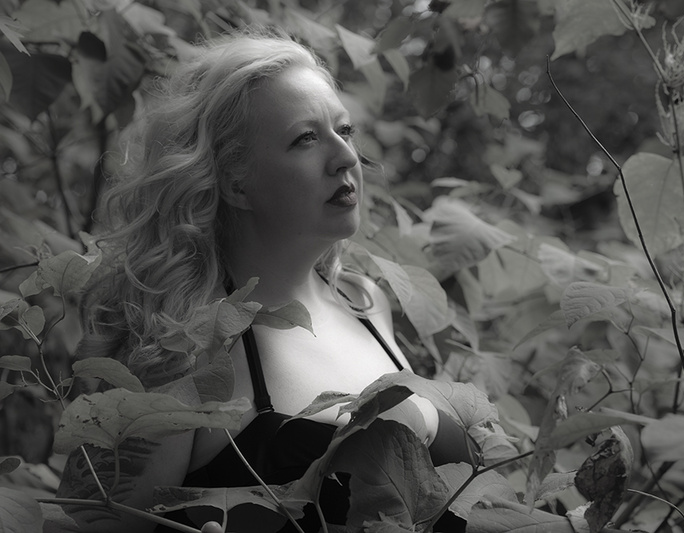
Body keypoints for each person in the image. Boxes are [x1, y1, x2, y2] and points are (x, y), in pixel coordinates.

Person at [48, 28, 478, 533]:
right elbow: (80, 526)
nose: (345, 158)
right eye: (306, 139)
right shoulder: (180, 343)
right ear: (235, 181)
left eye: (345, 130)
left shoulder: (366, 303)